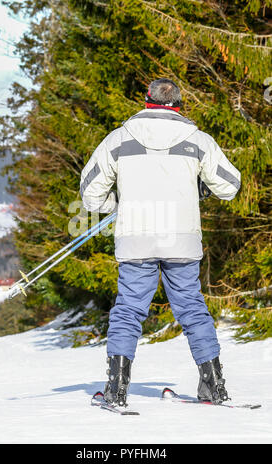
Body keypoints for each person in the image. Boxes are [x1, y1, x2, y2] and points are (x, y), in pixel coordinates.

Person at [80, 78, 241, 408]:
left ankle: (117, 388)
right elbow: (230, 185)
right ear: (179, 104)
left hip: (136, 237)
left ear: (146, 101)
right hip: (181, 239)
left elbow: (90, 195)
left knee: (128, 311)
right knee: (192, 309)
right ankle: (213, 385)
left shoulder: (118, 139)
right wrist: (200, 187)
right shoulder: (198, 140)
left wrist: (118, 204)